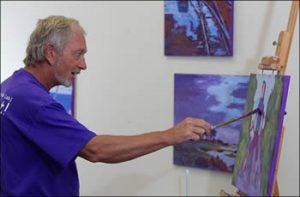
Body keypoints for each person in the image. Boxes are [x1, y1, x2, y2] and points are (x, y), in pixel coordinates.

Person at [0, 15, 213, 196]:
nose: (83, 64)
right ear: (50, 52)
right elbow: (96, 150)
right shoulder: (35, 103)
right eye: (78, 54)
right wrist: (170, 136)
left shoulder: (10, 87)